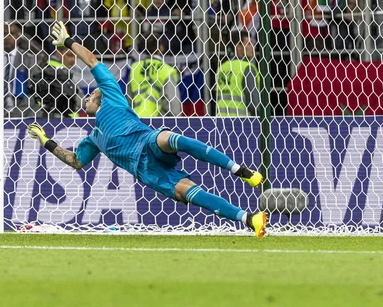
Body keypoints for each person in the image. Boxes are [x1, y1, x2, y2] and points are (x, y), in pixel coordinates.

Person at [28, 22, 268, 237]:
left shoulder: (112, 96)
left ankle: (240, 170)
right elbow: (75, 160)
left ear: (100, 96)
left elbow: (91, 59)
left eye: (92, 94)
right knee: (187, 191)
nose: (88, 96)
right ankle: (249, 219)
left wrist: (68, 42)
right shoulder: (93, 138)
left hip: (147, 140)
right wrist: (46, 142)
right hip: (145, 169)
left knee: (168, 138)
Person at [128, 36, 182, 117]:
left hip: (137, 120)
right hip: (158, 122)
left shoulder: (135, 68)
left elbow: (129, 99)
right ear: (161, 47)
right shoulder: (166, 70)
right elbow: (174, 105)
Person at [216, 34, 260, 117]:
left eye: (253, 44)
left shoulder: (222, 67)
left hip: (221, 121)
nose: (253, 48)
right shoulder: (247, 68)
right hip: (242, 122)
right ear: (238, 47)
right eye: (249, 44)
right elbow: (254, 104)